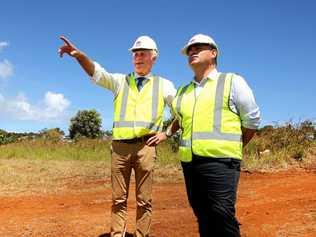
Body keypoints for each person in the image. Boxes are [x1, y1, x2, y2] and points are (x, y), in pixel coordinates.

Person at [59, 35, 176, 237]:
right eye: (135, 54)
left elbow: (182, 112)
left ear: (153, 57)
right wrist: (79, 57)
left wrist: (166, 134)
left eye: (143, 53)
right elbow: (96, 72)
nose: (138, 57)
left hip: (146, 147)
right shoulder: (120, 81)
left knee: (144, 200)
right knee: (118, 199)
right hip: (119, 148)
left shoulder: (164, 85)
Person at [169, 34, 261, 236]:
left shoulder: (231, 81)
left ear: (213, 52)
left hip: (221, 162)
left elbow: (252, 120)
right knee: (202, 214)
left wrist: (234, 145)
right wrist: (165, 133)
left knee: (222, 215)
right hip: (190, 162)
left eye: (197, 48)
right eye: (189, 50)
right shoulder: (183, 91)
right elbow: (180, 120)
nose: (191, 51)